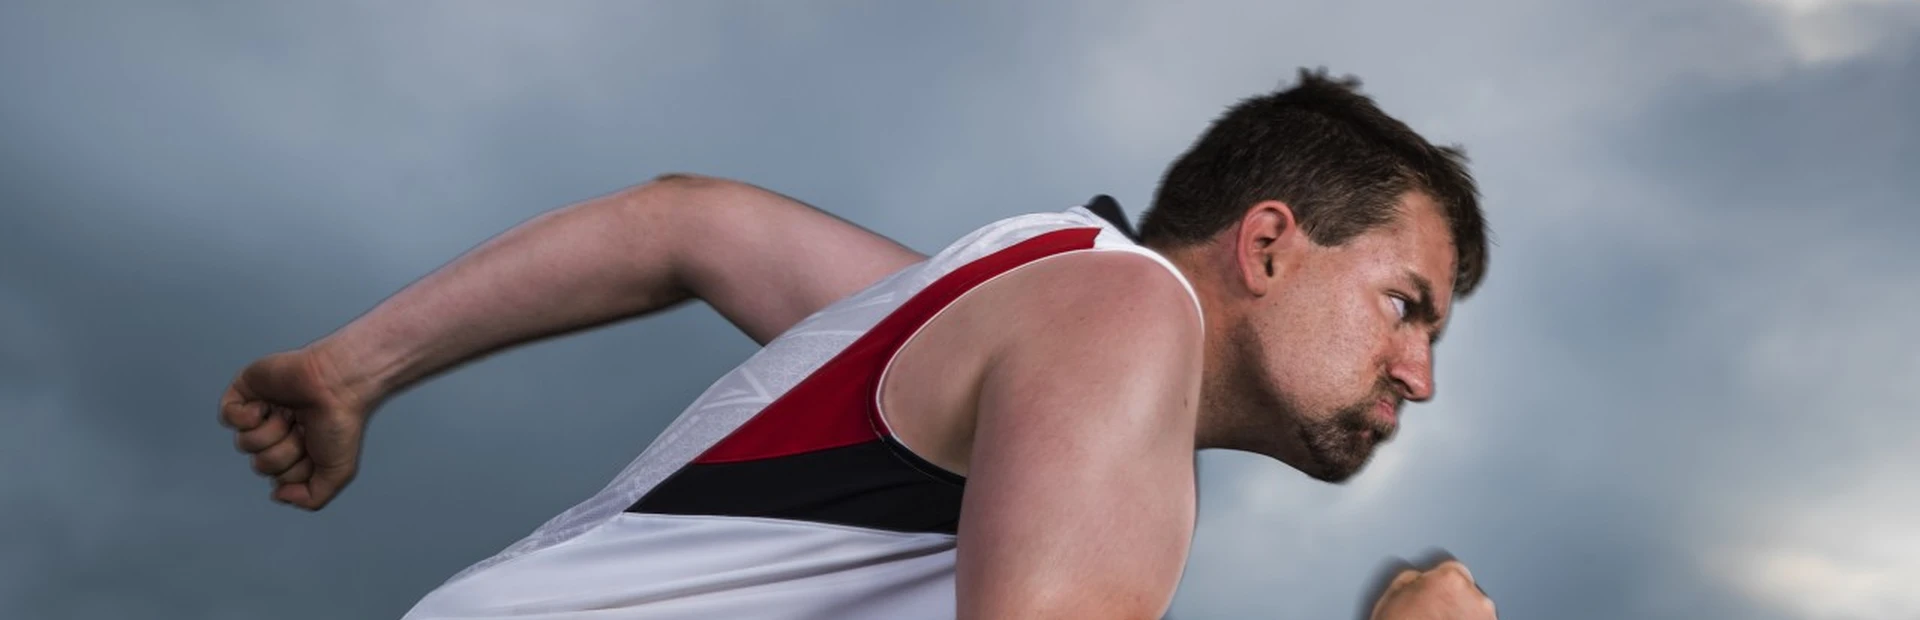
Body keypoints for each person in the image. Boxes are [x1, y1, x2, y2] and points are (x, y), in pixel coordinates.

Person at [218, 68, 1495, 619]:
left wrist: (352, 367)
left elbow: (684, 225)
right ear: (1268, 246)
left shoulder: (1003, 297)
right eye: (1406, 304)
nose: (1420, 375)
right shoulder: (1128, 313)